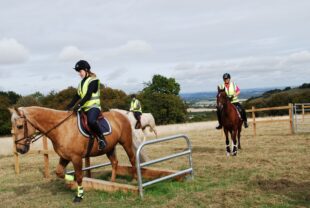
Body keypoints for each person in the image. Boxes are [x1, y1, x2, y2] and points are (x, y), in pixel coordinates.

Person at [66, 60, 106, 150]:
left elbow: (88, 95)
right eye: (78, 72)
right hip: (84, 108)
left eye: (80, 71)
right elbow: (77, 96)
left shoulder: (94, 80)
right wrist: (69, 106)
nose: (79, 74)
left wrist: (79, 105)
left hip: (94, 107)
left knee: (91, 121)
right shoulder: (81, 83)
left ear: (86, 70)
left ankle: (101, 139)